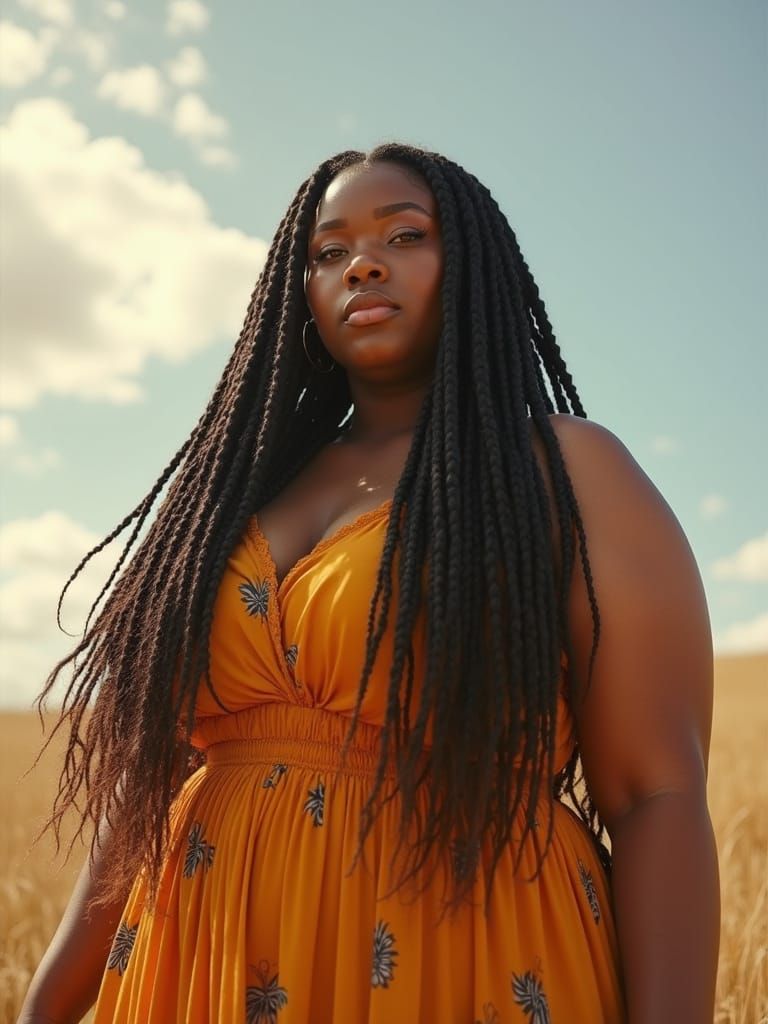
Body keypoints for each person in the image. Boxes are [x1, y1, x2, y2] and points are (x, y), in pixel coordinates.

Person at [18, 143, 720, 1024]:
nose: (364, 263)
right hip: (204, 960)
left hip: (461, 961)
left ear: (471, 266)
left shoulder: (563, 472)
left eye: (406, 234)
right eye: (329, 250)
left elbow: (654, 792)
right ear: (298, 288)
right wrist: (45, 1007)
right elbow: (143, 790)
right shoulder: (233, 491)